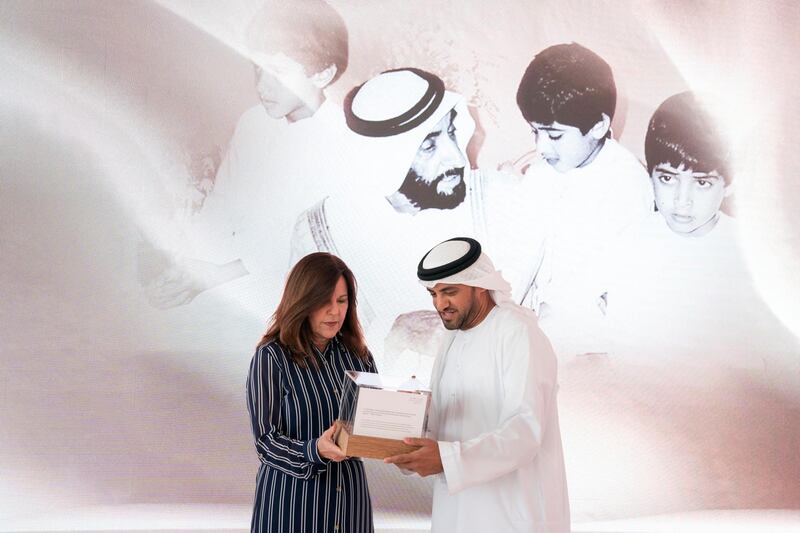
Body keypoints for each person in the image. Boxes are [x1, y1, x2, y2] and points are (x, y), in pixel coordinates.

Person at [145, 0, 355, 314]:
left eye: (277, 73)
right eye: (257, 68)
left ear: (323, 74)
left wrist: (211, 276)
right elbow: (222, 202)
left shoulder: (342, 139)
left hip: (296, 295)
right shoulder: (253, 123)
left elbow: (296, 246)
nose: (261, 85)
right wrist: (190, 264)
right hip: (222, 275)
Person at [290, 68, 493, 372]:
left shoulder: (491, 203)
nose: (454, 157)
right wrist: (395, 332)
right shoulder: (321, 232)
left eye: (451, 133)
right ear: (387, 159)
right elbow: (304, 345)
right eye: (428, 145)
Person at [384, 237, 570, 533]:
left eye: (449, 292)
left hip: (511, 513)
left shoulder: (518, 332)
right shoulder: (452, 339)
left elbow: (525, 431)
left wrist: (447, 459)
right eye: (433, 294)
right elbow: (446, 420)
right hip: (456, 510)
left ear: (480, 285)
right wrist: (412, 442)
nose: (439, 304)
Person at [602, 91, 789, 367]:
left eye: (701, 183)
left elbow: (768, 354)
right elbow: (620, 340)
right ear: (650, 174)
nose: (681, 200)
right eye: (667, 178)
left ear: (730, 183)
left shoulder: (749, 256)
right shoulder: (633, 242)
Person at [501, 42, 654, 359]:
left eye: (554, 135)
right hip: (538, 328)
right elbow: (519, 254)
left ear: (599, 126)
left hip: (590, 343)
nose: (542, 147)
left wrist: (542, 323)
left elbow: (611, 288)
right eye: (535, 132)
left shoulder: (626, 183)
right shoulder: (544, 173)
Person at [246, 252, 376, 532]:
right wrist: (314, 449)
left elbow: (372, 424)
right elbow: (266, 443)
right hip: (292, 507)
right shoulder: (272, 357)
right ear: (303, 302)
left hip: (349, 504)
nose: (335, 312)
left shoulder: (359, 356)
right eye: (324, 302)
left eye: (342, 301)